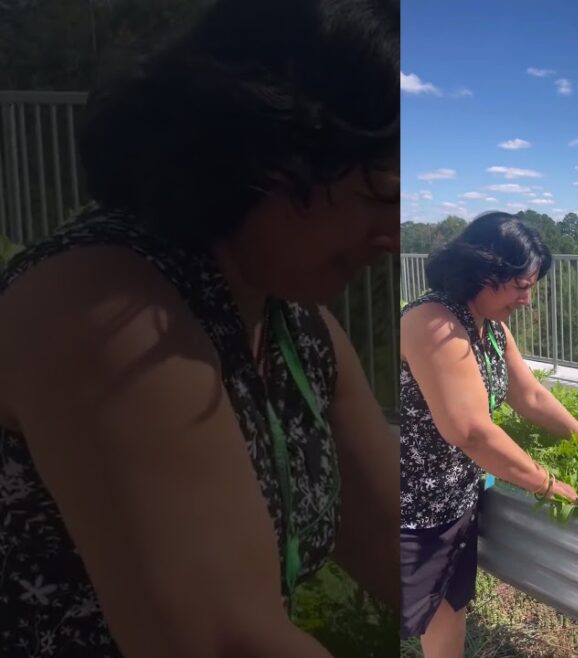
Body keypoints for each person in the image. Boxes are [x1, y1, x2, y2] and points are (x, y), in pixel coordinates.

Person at [0, 1, 400, 656]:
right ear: (266, 150)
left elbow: (394, 536)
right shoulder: (107, 310)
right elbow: (229, 642)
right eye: (382, 195)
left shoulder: (296, 328)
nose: (392, 237)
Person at [399, 211, 578, 657]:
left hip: (454, 497)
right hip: (412, 507)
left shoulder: (491, 328)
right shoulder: (433, 323)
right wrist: (548, 484)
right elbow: (472, 432)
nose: (528, 300)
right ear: (484, 271)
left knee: (448, 606)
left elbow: (530, 396)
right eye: (522, 286)